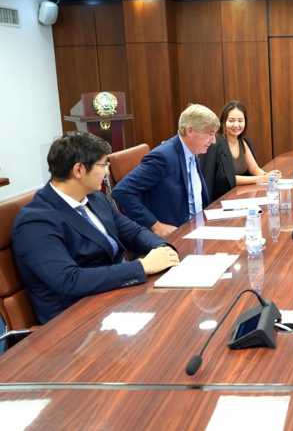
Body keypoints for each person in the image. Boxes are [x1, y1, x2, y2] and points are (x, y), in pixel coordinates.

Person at [11, 133, 179, 324]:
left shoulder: (94, 197)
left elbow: (133, 232)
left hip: (118, 296)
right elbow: (69, 280)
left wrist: (162, 249)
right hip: (76, 318)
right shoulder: (35, 222)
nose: (107, 172)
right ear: (79, 170)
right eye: (103, 165)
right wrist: (142, 267)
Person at [113, 104, 219, 237]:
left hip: (197, 227)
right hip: (176, 234)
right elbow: (121, 191)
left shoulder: (193, 150)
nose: (213, 141)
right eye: (210, 134)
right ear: (190, 131)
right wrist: (155, 225)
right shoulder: (163, 157)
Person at [200, 101, 281, 201]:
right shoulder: (216, 143)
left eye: (240, 120)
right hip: (222, 199)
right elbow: (226, 179)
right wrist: (261, 179)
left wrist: (268, 175)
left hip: (241, 195)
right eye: (231, 120)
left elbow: (254, 169)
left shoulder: (243, 141)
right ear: (223, 121)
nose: (236, 125)